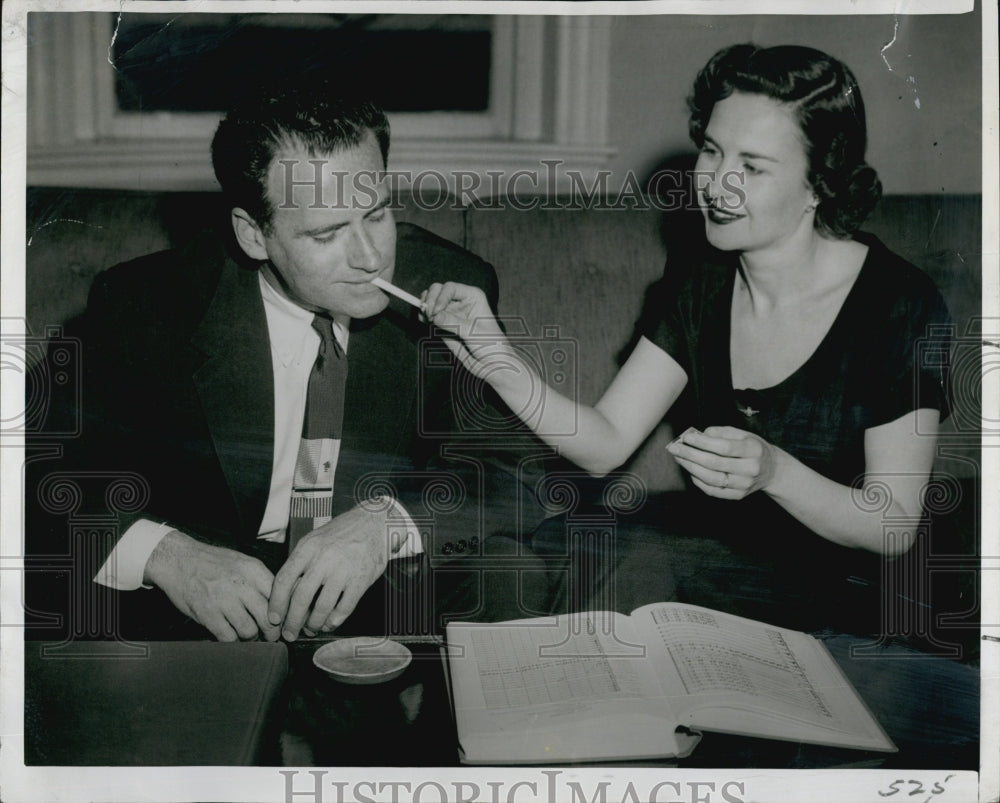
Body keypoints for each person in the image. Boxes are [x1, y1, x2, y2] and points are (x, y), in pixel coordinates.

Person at [421, 44, 953, 632]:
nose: (717, 184)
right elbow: (606, 445)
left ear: (817, 185)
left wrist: (775, 472)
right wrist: (497, 358)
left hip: (839, 593)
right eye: (712, 151)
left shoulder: (897, 304)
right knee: (540, 560)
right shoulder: (702, 279)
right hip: (715, 561)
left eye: (752, 167)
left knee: (638, 564)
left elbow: (895, 525)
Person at [26, 79, 547, 643]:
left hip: (380, 584)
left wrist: (388, 524)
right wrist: (168, 556)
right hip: (205, 598)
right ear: (254, 235)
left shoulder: (451, 289)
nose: (372, 259)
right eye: (326, 234)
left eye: (376, 215)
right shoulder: (144, 305)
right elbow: (37, 468)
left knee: (507, 572)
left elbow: (513, 471)